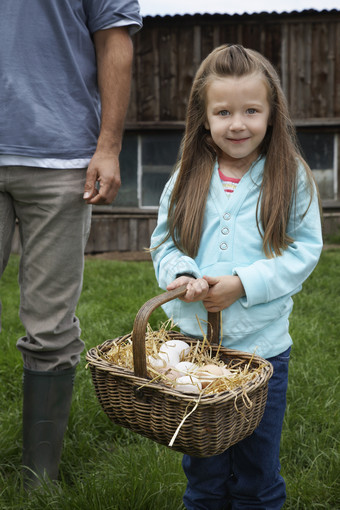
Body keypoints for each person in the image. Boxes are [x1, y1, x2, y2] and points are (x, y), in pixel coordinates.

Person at [150, 44, 323, 509]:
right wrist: (181, 274)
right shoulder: (187, 175)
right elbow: (164, 243)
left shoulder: (290, 178)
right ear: (203, 117)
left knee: (256, 473)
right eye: (223, 111)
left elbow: (305, 250)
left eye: (251, 110)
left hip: (261, 354)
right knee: (204, 471)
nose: (238, 123)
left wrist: (243, 283)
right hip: (195, 354)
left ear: (272, 113)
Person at [0, 1, 142, 489]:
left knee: (51, 327)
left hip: (62, 160)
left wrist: (109, 146)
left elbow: (114, 41)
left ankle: (38, 479)